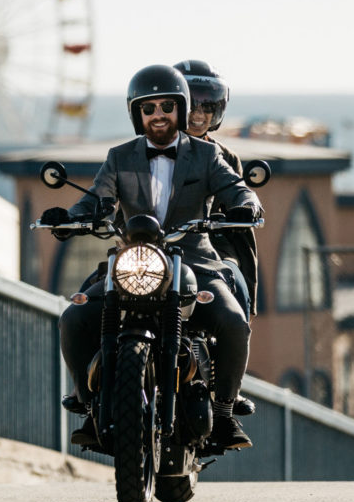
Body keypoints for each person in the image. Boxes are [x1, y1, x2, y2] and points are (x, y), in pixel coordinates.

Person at [42, 64, 263, 450]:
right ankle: (90, 405)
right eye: (149, 109)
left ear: (180, 108)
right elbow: (98, 199)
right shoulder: (119, 157)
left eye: (166, 107)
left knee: (232, 320)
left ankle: (224, 413)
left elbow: (237, 190)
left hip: (195, 261)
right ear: (136, 114)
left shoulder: (208, 156)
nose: (158, 115)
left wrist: (247, 205)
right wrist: (70, 217)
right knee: (74, 317)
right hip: (135, 260)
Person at [175, 59, 259, 417]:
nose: (199, 113)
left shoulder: (224, 157)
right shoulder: (137, 153)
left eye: (209, 105)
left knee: (235, 294)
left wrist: (243, 208)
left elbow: (237, 196)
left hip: (212, 246)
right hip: (153, 249)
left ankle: (228, 392)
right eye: (193, 103)